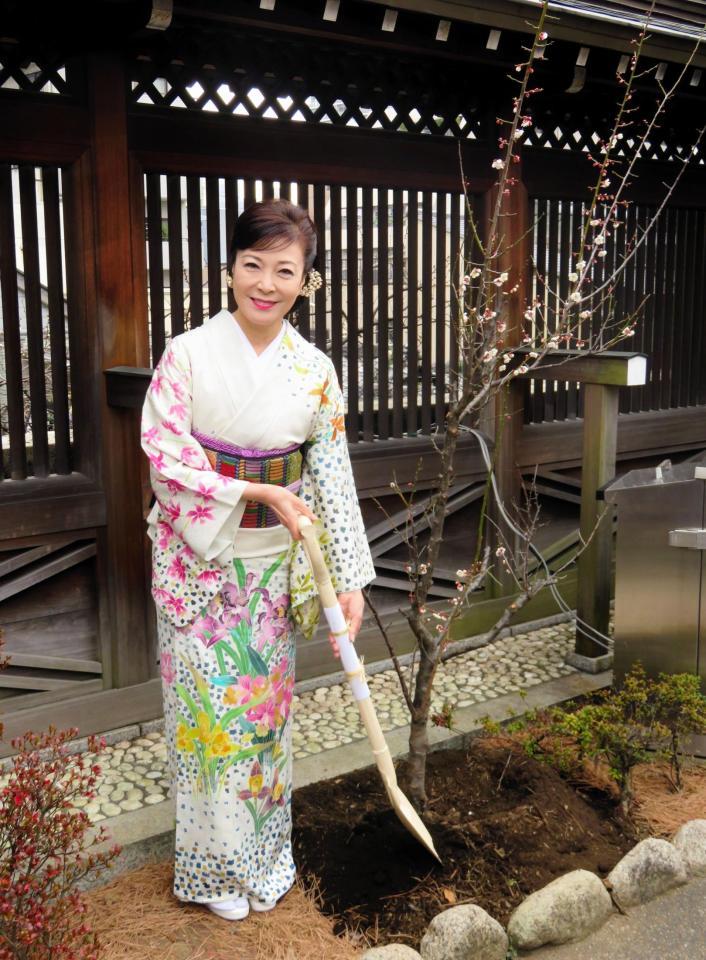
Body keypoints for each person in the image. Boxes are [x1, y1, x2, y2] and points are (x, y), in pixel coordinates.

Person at [140, 197, 376, 921]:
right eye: (252, 265)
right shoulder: (186, 355)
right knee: (206, 725)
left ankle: (264, 860)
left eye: (284, 269)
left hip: (274, 569)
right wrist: (252, 491)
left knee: (265, 721)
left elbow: (331, 474)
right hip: (201, 562)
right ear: (229, 269)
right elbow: (164, 458)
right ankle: (212, 871)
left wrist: (350, 577)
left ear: (306, 280)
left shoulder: (314, 370)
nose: (265, 283)